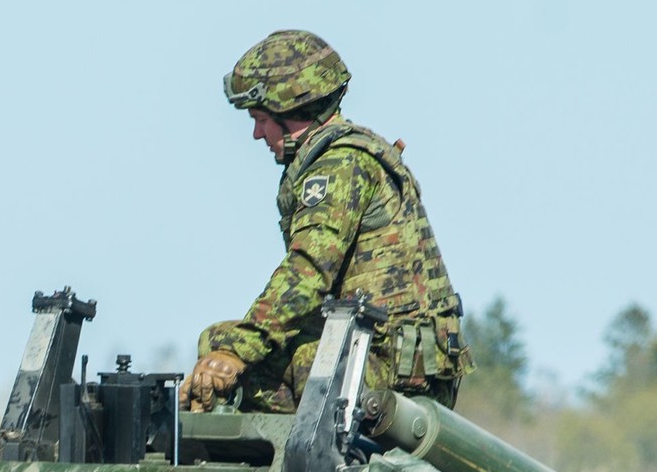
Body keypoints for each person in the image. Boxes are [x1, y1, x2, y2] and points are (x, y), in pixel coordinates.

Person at [181, 30, 472, 414]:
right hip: (377, 347)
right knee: (216, 341)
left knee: (278, 359)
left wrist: (238, 351)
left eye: (262, 119)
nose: (256, 134)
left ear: (292, 111)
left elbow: (307, 273)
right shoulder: (336, 156)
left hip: (397, 367)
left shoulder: (340, 165)